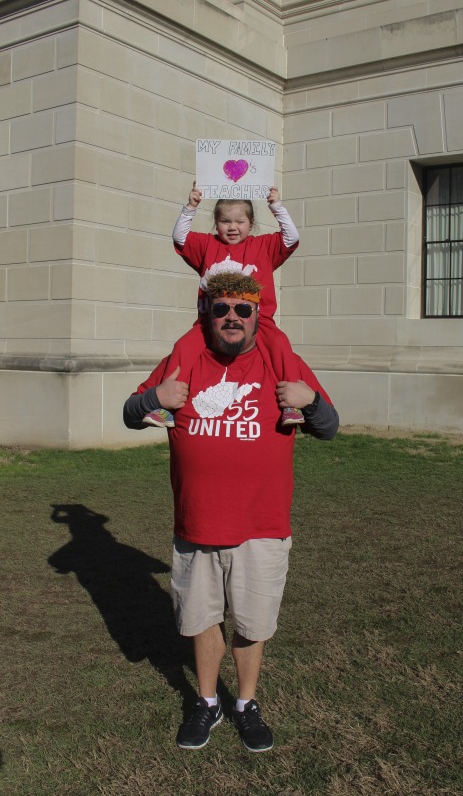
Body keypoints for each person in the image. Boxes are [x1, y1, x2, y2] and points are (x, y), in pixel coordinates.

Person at [124, 271, 339, 753]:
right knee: (201, 618)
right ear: (207, 313)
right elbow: (130, 412)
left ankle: (244, 702)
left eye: (242, 309)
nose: (232, 318)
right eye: (221, 309)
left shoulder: (280, 362)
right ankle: (206, 701)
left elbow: (329, 428)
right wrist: (153, 399)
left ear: (258, 314)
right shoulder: (185, 359)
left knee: (252, 622)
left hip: (261, 527)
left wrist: (312, 402)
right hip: (198, 523)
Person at [142, 181, 305, 430]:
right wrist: (191, 206)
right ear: (216, 223)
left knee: (281, 345)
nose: (232, 227)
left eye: (240, 221)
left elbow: (292, 237)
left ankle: (292, 405)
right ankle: (166, 407)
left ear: (251, 224)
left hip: (257, 322)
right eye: (225, 221)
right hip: (211, 321)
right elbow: (180, 237)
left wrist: (277, 206)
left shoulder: (263, 246)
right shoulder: (208, 245)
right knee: (183, 347)